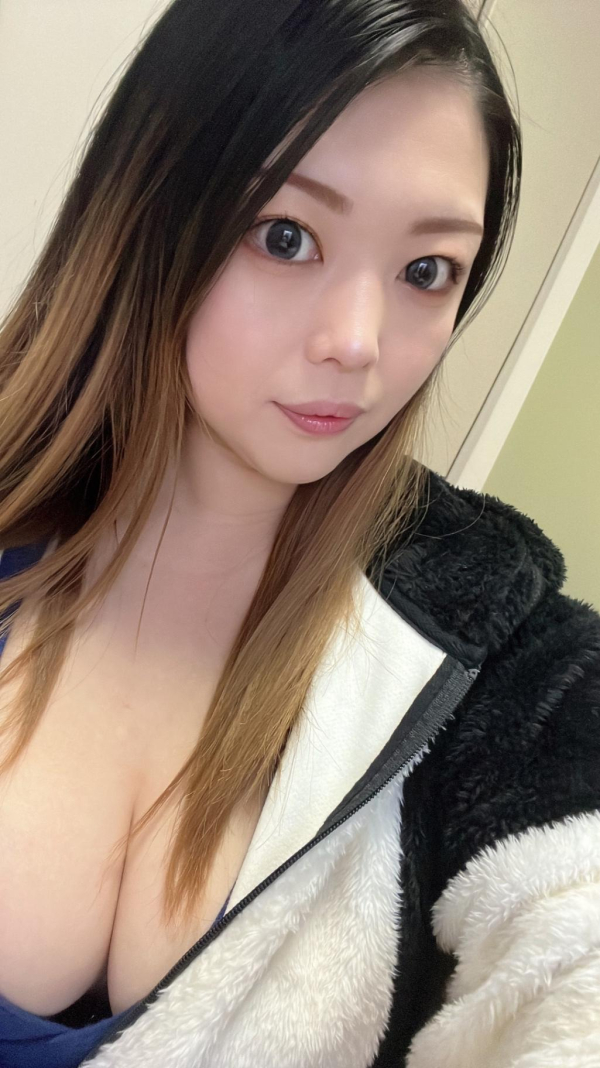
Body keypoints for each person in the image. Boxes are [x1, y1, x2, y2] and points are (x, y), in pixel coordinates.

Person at [0, 0, 599, 1065]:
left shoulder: (491, 655)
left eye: (427, 271)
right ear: (147, 212)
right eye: (286, 237)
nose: (357, 343)